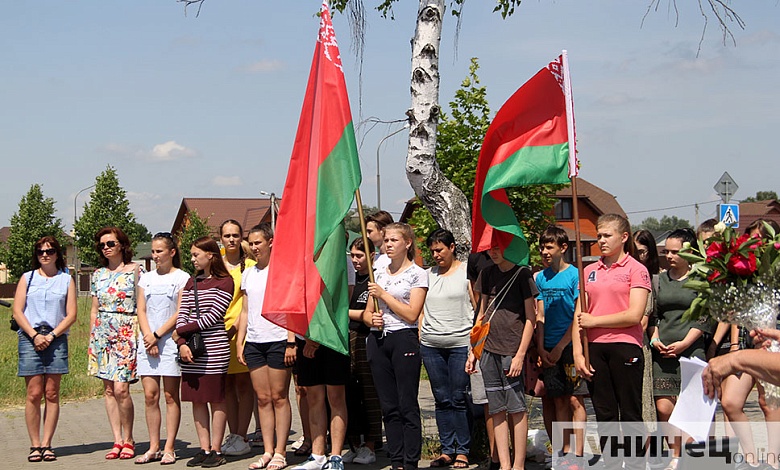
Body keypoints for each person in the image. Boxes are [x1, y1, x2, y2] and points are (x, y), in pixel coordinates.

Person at [573, 214, 650, 470]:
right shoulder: (589, 271)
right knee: (604, 413)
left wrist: (595, 322)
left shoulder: (636, 269)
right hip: (594, 348)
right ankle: (613, 464)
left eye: (607, 235)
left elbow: (634, 314)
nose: (601, 241)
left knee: (629, 412)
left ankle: (637, 464)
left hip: (625, 346)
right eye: (599, 236)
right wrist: (577, 353)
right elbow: (578, 315)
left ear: (623, 237)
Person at [465, 244, 537, 470]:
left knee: (516, 408)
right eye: (490, 249)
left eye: (497, 248)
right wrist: (473, 352)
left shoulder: (522, 274)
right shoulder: (486, 273)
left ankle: (518, 464)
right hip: (488, 350)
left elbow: (531, 319)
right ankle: (504, 465)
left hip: (512, 350)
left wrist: (520, 354)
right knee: (496, 409)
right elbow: (482, 314)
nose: (492, 253)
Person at [715, 219, 780, 470]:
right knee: (730, 401)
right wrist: (733, 345)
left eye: (760, 240)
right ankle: (751, 458)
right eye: (750, 240)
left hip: (772, 344)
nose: (755, 245)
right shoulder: (742, 273)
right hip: (745, 343)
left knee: (768, 402)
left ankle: (773, 460)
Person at [363, 222, 428, 470]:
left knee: (406, 402)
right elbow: (368, 313)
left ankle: (411, 460)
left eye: (394, 240)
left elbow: (412, 314)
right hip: (379, 339)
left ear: (407, 243)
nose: (388, 245)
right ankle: (396, 459)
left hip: (404, 338)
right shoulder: (378, 273)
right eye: (386, 240)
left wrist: (385, 296)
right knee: (388, 405)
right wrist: (373, 318)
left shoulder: (417, 274)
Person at [647, 228, 711, 469]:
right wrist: (655, 340)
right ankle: (675, 453)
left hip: (692, 351)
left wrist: (685, 343)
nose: (670, 256)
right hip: (662, 351)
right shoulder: (658, 280)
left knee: (692, 406)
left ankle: (690, 456)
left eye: (676, 251)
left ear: (690, 252)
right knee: (664, 406)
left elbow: (704, 318)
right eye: (666, 251)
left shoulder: (701, 280)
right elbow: (653, 315)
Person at [12, 236, 77, 462]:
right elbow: (17, 311)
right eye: (40, 252)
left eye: (49, 251)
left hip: (56, 338)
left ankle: (47, 444)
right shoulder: (27, 278)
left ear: (57, 254)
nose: (45, 255)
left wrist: (50, 336)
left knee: (51, 392)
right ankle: (34, 444)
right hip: (30, 338)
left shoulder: (66, 280)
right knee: (33, 393)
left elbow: (71, 315)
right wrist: (34, 335)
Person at [236, 223, 296, 470]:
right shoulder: (249, 273)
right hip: (254, 341)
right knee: (262, 398)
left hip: (279, 339)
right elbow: (246, 309)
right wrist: (240, 341)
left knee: (279, 396)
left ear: (270, 242)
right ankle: (268, 450)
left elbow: (292, 307)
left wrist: (292, 341)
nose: (253, 247)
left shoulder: (282, 269)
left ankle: (281, 451)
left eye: (258, 242)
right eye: (250, 243)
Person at [175, 236, 234, 468]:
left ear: (211, 255)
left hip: (214, 351)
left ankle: (217, 449)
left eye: (196, 254)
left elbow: (213, 316)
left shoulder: (225, 282)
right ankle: (204, 447)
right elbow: (183, 312)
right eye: (191, 255)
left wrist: (180, 330)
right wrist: (181, 342)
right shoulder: (192, 282)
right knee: (197, 400)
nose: (192, 259)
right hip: (191, 351)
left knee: (216, 399)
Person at [88, 226, 144, 460]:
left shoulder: (135, 271)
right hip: (102, 334)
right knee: (109, 389)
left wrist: (142, 334)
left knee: (122, 389)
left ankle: (129, 438)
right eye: (102, 245)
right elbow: (93, 310)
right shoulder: (98, 274)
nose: (106, 248)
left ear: (121, 244)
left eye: (110, 243)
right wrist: (93, 339)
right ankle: (117, 440)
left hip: (126, 331)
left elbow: (142, 306)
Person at [419, 229, 474, 469]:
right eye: (432, 251)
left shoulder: (466, 273)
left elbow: (477, 305)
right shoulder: (427, 275)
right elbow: (419, 306)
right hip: (431, 345)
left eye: (440, 249)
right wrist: (422, 330)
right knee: (441, 398)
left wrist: (474, 344)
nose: (436, 255)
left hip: (460, 343)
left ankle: (463, 450)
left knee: (458, 398)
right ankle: (446, 449)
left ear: (452, 247)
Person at [134, 232, 190, 464]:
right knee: (150, 395)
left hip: (169, 341)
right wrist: (148, 336)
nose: (155, 256)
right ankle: (153, 446)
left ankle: (169, 447)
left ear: (172, 252)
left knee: (169, 395)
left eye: (160, 251)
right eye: (154, 252)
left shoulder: (182, 278)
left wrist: (158, 335)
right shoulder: (146, 278)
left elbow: (180, 311)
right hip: (147, 342)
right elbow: (141, 309)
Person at [534, 226, 586, 464]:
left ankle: (579, 452)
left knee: (575, 399)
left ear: (563, 248)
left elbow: (578, 314)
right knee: (557, 400)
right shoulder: (540, 277)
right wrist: (541, 346)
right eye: (542, 247)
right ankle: (562, 452)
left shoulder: (575, 275)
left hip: (570, 346)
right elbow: (540, 314)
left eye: (549, 247)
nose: (545, 251)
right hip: (548, 347)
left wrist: (562, 345)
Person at [219, 220, 257, 457]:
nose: (231, 239)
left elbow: (247, 300)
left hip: (241, 330)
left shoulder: (250, 265)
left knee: (244, 385)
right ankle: (233, 434)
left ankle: (243, 434)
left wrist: (236, 326)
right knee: (227, 387)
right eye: (226, 235)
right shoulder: (215, 263)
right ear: (220, 238)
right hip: (218, 333)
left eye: (235, 235)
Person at [344, 237, 382, 465]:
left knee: (369, 393)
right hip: (347, 338)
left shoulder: (375, 280)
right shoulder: (351, 279)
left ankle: (371, 444)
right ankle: (353, 444)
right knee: (349, 393)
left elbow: (368, 317)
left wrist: (346, 312)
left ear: (372, 255)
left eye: (360, 256)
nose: (356, 261)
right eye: (353, 256)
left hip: (367, 339)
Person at [632, 229, 660, 426]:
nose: (637, 256)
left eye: (642, 252)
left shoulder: (653, 279)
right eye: (634, 251)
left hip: (641, 342)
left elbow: (646, 320)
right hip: (625, 342)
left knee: (645, 399)